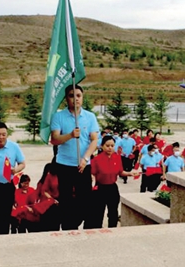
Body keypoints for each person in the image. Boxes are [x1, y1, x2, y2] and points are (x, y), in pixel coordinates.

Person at [50, 84, 99, 230]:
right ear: (66, 98)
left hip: (83, 164)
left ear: (82, 97)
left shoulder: (90, 117)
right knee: (66, 200)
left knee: (85, 200)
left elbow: (94, 140)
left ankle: (78, 224)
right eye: (72, 96)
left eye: (78, 95)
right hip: (64, 165)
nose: (75, 99)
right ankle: (68, 228)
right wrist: (70, 135)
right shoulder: (58, 116)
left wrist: (85, 158)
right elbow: (55, 139)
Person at [89, 135, 136, 228]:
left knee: (113, 212)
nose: (110, 148)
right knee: (98, 212)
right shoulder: (96, 159)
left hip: (112, 188)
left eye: (112, 146)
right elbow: (92, 174)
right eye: (107, 145)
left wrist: (129, 173)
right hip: (100, 188)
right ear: (102, 146)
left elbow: (120, 172)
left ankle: (113, 229)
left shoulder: (117, 157)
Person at [34, 163, 60, 232]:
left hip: (55, 203)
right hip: (46, 205)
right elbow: (37, 195)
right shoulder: (41, 183)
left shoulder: (57, 178)